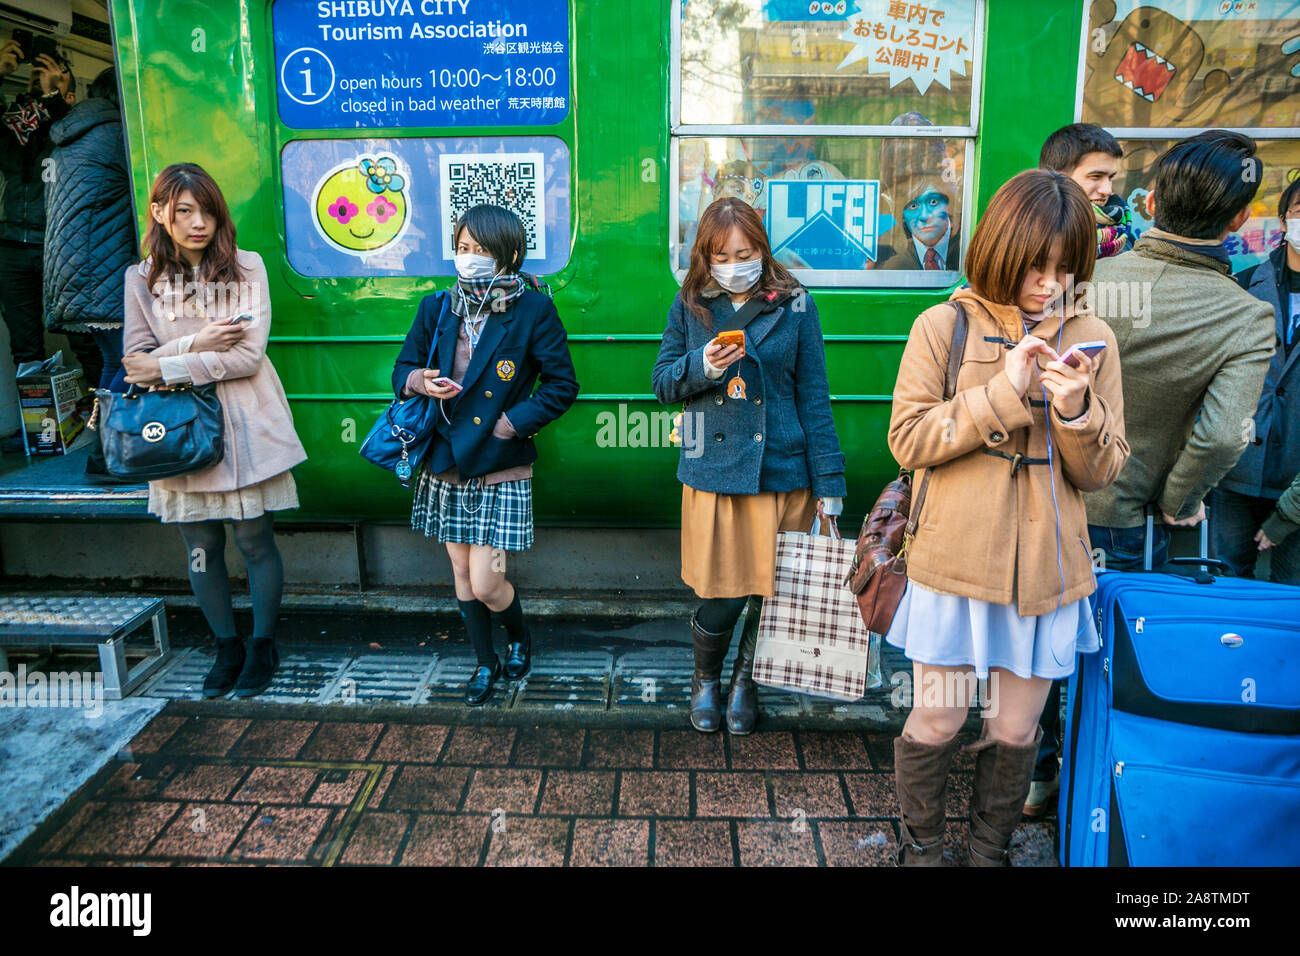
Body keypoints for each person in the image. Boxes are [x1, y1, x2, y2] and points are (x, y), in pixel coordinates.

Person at [886, 169, 1129, 866]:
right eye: (1034, 265)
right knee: (938, 715)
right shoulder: (944, 324)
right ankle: (924, 849)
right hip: (954, 564)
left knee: (1017, 729)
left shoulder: (1094, 336)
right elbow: (908, 439)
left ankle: (989, 851)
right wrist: (1003, 393)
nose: (1048, 283)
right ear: (998, 247)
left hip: (1047, 569)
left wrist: (1079, 410)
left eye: (1065, 268)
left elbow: (1105, 470)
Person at [652, 196, 846, 736]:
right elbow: (664, 382)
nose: (736, 263)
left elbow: (815, 397)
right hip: (717, 473)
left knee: (773, 591)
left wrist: (830, 483)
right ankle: (704, 678)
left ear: (762, 249)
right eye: (723, 254)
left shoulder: (796, 304)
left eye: (746, 251)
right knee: (724, 592)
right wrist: (703, 366)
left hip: (785, 473)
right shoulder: (691, 303)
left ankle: (746, 681)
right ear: (705, 258)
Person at [120, 163, 307, 698]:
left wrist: (169, 364)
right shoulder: (141, 277)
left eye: (206, 210)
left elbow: (248, 356)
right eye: (183, 211)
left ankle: (262, 644)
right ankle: (225, 644)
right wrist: (195, 344)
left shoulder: (247, 267)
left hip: (246, 422)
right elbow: (135, 363)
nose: (198, 222)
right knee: (200, 544)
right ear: (159, 213)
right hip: (180, 431)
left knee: (255, 540)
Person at [393, 203, 578, 707]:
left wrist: (508, 423)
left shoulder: (533, 310)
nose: (468, 258)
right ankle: (484, 661)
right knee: (459, 571)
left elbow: (562, 385)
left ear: (509, 254)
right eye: (462, 248)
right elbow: (402, 368)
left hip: (499, 463)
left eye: (481, 250)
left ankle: (517, 634)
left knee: (487, 579)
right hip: (447, 459)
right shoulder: (438, 307)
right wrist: (419, 381)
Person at [1084, 132, 1274, 567]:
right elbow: (1224, 437)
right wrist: (1181, 502)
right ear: (1239, 219)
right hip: (1125, 521)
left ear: (1150, 203)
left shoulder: (1085, 275)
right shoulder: (1247, 315)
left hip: (1037, 501)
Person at [1025, 122, 1137, 815]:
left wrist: (1077, 412)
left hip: (1078, 496)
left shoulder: (1114, 267)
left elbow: (1105, 458)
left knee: (1056, 660)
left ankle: (1060, 771)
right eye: (1096, 178)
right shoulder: (970, 303)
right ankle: (1039, 767)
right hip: (1010, 514)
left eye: (1113, 183)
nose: (1106, 194)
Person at [43, 67, 134, 477]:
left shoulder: (71, 138)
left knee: (116, 365)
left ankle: (110, 456)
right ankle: (106, 458)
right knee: (132, 364)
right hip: (105, 274)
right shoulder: (118, 137)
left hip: (73, 274)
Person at [1212, 175, 1300, 584]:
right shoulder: (1243, 287)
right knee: (1226, 585)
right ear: (1283, 221)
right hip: (1237, 473)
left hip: (1294, 477)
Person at [0, 37, 80, 451]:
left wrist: (53, 96)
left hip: (58, 241)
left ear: (69, 87)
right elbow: (14, 155)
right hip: (13, 241)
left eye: (52, 70)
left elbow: (63, 130)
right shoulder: (19, 118)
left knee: (83, 330)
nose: (39, 74)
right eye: (35, 70)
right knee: (25, 342)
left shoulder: (71, 117)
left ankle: (103, 418)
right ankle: (39, 432)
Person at [1039, 122, 1136, 259]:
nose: (1107, 190)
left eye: (1110, 177)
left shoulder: (1123, 237)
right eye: (1095, 177)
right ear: (1057, 177)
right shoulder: (1031, 237)